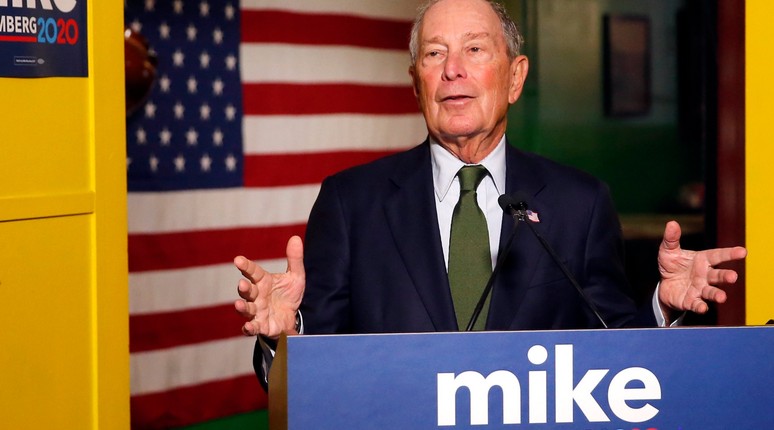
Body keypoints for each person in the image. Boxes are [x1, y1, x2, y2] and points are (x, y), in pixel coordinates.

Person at [233, 0, 747, 384]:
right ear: (417, 82)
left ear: (515, 77)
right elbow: (309, 381)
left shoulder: (579, 203)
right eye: (435, 53)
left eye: (474, 49)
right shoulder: (350, 204)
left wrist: (661, 305)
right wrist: (284, 337)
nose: (453, 68)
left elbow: (614, 356)